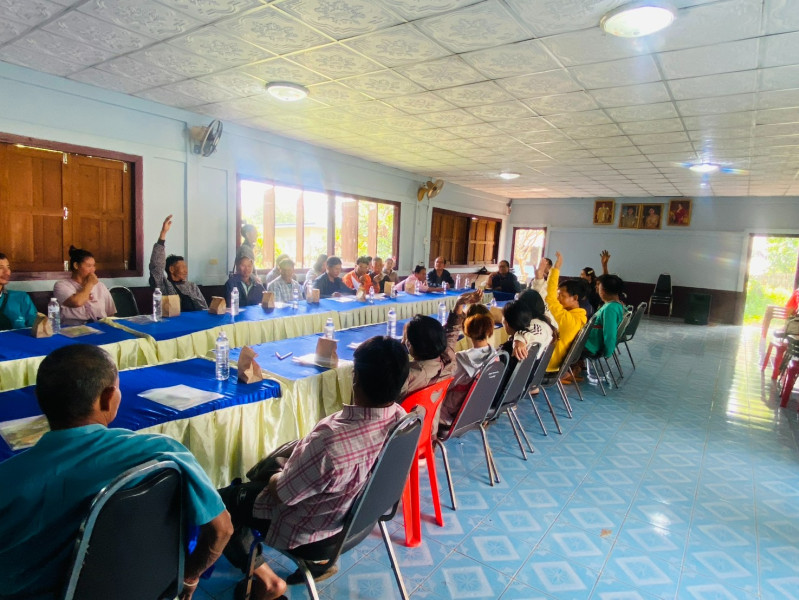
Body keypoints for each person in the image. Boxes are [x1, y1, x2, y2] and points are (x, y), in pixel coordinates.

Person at [0, 345, 234, 600]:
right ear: (108, 398)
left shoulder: (7, 477)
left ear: (39, 398)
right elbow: (222, 530)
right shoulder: (165, 452)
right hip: (144, 588)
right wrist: (188, 578)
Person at [217, 336, 409, 597]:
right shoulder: (401, 419)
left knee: (221, 503)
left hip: (309, 528)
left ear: (355, 379)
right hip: (354, 522)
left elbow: (282, 494)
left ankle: (268, 580)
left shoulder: (331, 442)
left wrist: (275, 474)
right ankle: (315, 565)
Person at [401, 290, 480, 397]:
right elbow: (452, 330)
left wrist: (400, 348)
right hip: (436, 408)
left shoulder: (406, 377)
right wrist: (459, 304)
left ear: (410, 345)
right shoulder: (448, 361)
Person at [437, 311, 497, 430]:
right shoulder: (496, 357)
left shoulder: (460, 360)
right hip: (480, 409)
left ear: (467, 332)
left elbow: (446, 383)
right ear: (490, 331)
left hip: (454, 411)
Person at [149, 214, 208, 311]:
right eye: (183, 267)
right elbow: (156, 266)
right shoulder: (163, 285)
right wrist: (163, 233)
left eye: (186, 267)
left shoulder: (192, 286)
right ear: (171, 269)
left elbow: (204, 308)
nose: (186, 271)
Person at [542, 252, 588, 375]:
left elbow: (550, 298)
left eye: (562, 295)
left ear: (575, 298)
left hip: (547, 364)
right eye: (558, 294)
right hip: (556, 362)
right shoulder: (581, 316)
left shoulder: (568, 319)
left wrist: (556, 269)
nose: (558, 298)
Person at [54, 245, 117, 326]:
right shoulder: (61, 285)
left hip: (99, 327)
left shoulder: (100, 286)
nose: (93, 270)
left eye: (94, 266)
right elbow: (77, 302)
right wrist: (90, 284)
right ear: (76, 265)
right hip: (74, 329)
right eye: (89, 266)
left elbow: (110, 313)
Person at [583, 274, 626, 384]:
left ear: (604, 290)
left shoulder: (610, 308)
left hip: (591, 346)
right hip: (591, 343)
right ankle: (575, 367)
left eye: (599, 286)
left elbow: (610, 333)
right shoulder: (616, 305)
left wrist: (607, 352)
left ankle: (565, 371)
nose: (597, 288)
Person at [0, 252, 37, 330]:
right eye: (0, 267)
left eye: (8, 267)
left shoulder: (21, 297)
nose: (7, 272)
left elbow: (35, 326)